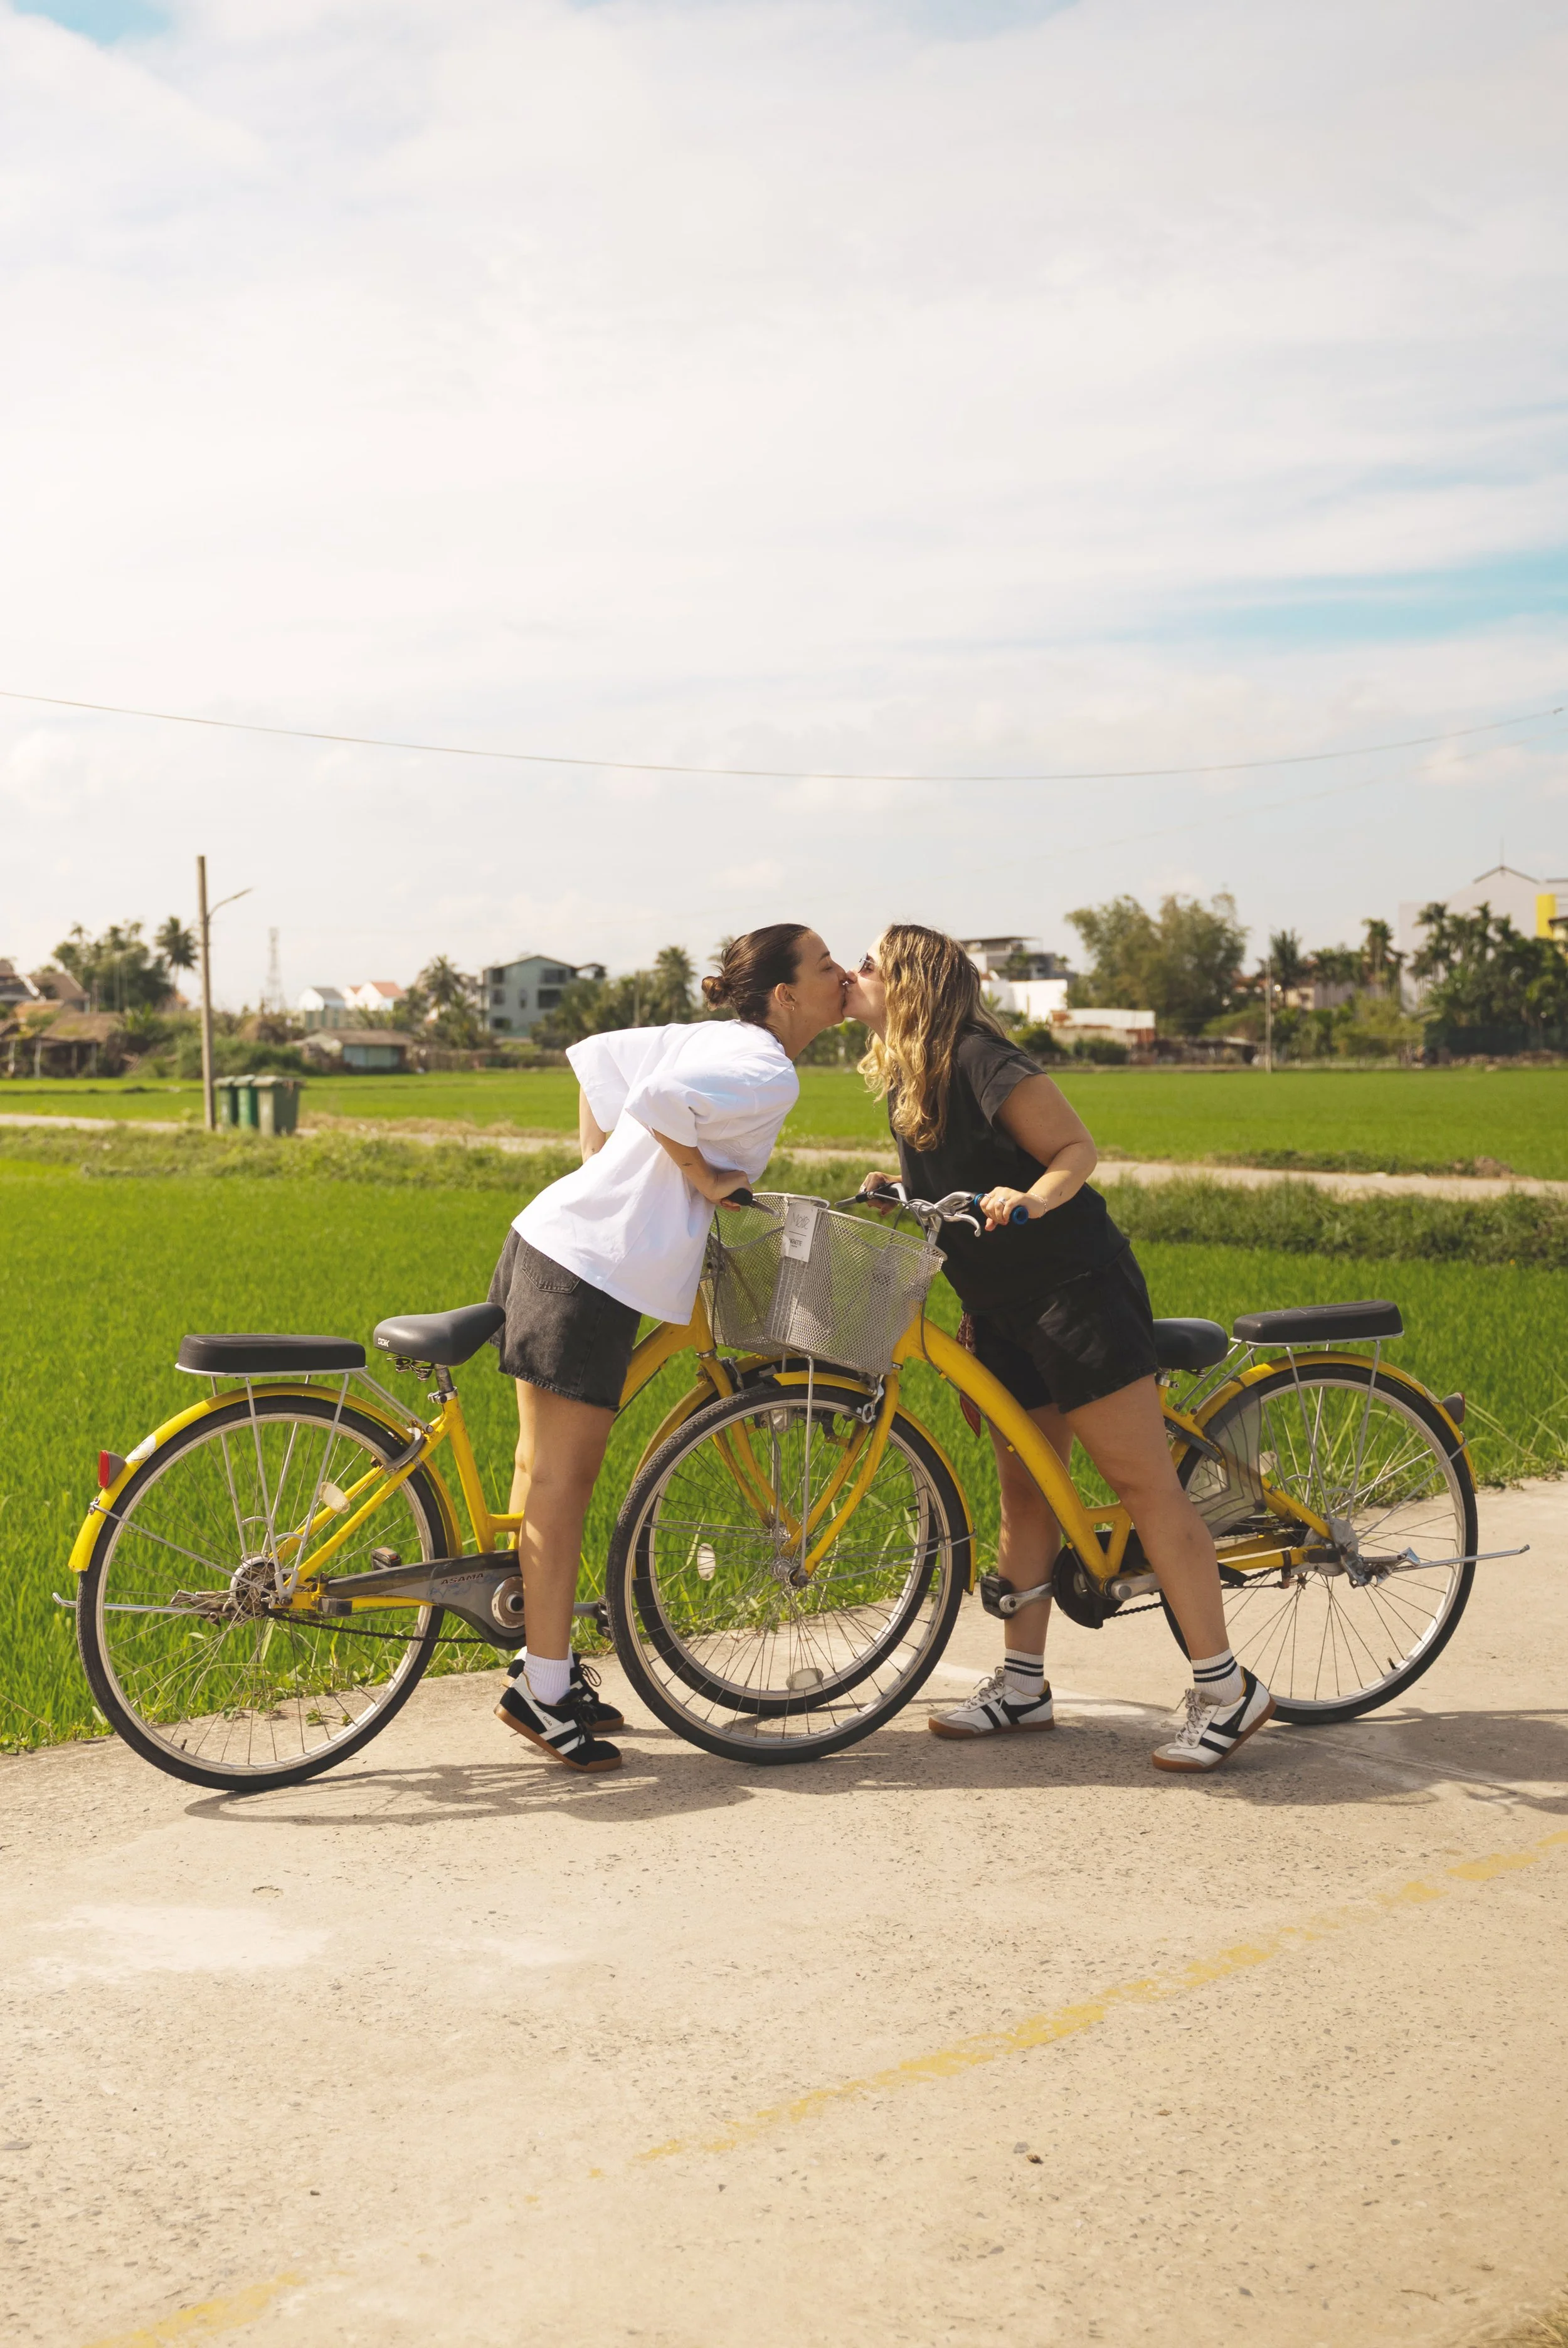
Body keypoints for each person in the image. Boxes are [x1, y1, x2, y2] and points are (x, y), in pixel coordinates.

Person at [843, 923, 1272, 1774]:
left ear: (912, 982)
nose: (854, 974)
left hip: (1073, 1293)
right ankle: (1023, 1684)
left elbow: (1075, 1150)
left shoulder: (978, 1059)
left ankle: (1227, 1691)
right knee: (1027, 1491)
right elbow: (955, 1174)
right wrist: (903, 1192)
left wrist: (1031, 1196)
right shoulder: (911, 1078)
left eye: (868, 963)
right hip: (998, 1306)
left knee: (1143, 1484)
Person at [488, 924, 849, 1772]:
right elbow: (653, 1104)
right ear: (786, 994)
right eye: (826, 966)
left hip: (554, 1242)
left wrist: (601, 1177)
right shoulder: (767, 1066)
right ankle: (540, 1695)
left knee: (539, 1470)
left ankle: (544, 1663)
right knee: (561, 1483)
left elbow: (598, 1059)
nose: (840, 976)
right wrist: (702, 1179)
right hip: (589, 1274)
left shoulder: (716, 1041)